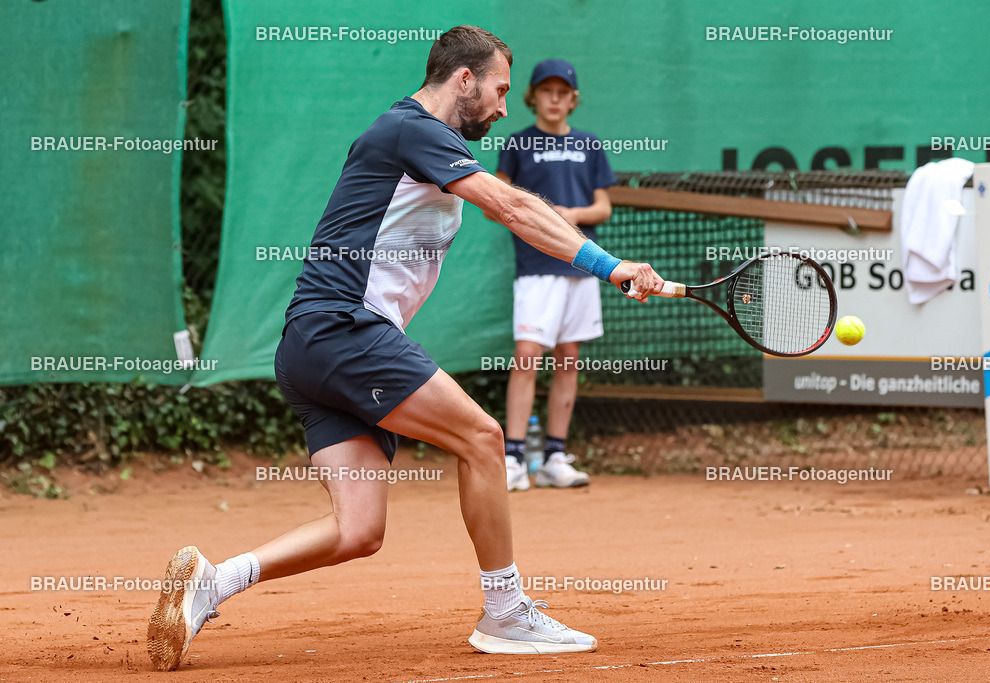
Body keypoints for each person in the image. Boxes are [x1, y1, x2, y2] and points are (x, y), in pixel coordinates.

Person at [146, 25, 663, 671]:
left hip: (314, 346)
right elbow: (511, 206)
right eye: (501, 90)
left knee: (359, 530)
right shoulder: (414, 128)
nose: (507, 107)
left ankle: (212, 582)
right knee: (481, 438)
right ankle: (506, 612)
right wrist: (610, 265)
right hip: (344, 330)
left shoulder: (419, 141)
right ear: (465, 79)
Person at [496, 59, 616, 492]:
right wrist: (539, 219)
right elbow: (498, 199)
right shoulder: (517, 144)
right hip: (535, 270)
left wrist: (571, 215)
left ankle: (554, 456)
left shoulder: (589, 144)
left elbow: (602, 207)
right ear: (532, 97)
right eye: (546, 91)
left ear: (572, 100)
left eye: (562, 92)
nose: (554, 99)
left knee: (568, 359)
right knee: (527, 356)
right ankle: (512, 458)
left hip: (583, 266)